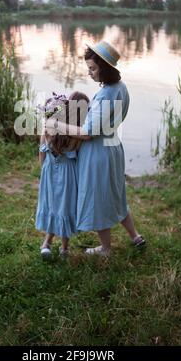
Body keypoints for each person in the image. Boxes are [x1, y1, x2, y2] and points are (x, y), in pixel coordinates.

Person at [46, 41, 146, 257]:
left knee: (99, 199)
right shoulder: (121, 88)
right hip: (113, 147)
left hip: (98, 153)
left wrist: (56, 125)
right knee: (117, 195)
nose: (89, 73)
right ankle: (135, 237)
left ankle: (106, 249)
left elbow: (87, 132)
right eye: (88, 67)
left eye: (92, 68)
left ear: (105, 68)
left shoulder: (105, 95)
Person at [36, 92, 89, 258]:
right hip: (68, 175)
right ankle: (64, 248)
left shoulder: (47, 131)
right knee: (65, 207)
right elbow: (80, 155)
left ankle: (47, 244)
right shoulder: (76, 137)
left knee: (52, 205)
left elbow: (41, 154)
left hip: (49, 171)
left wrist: (43, 171)